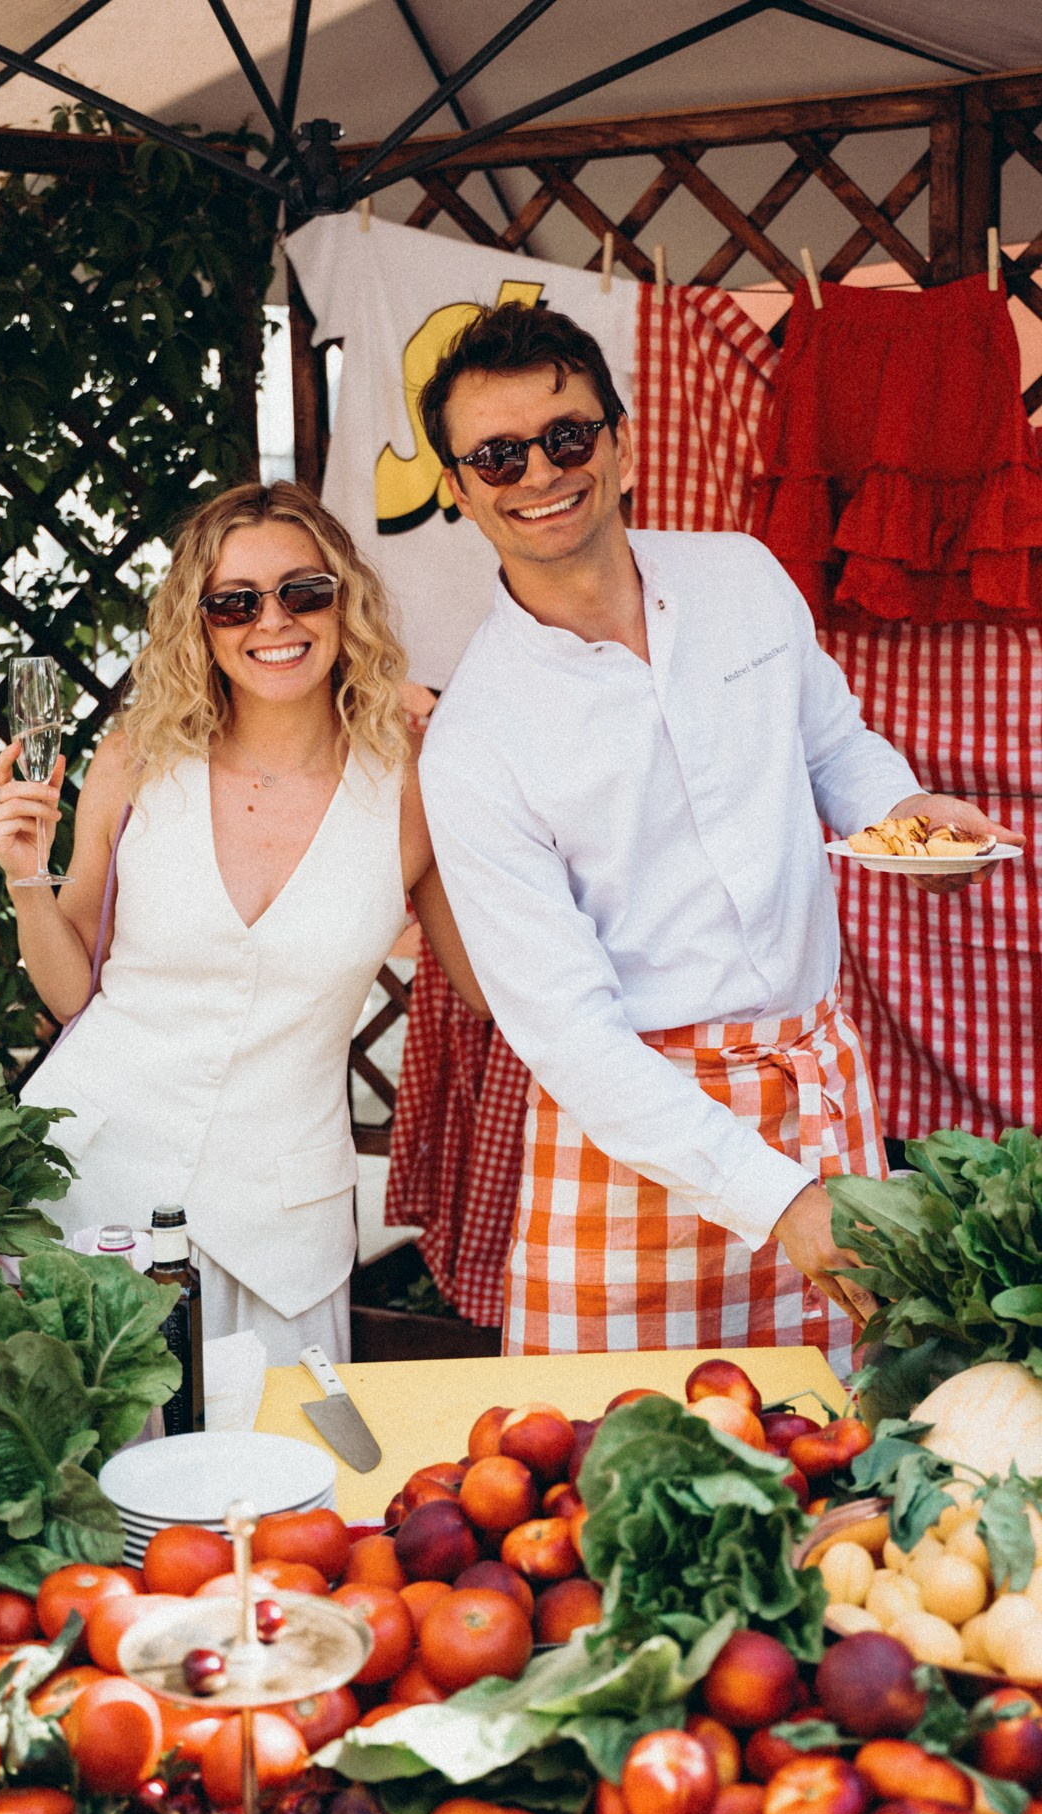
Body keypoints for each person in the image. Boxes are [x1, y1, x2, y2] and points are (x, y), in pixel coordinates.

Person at [414, 302, 1024, 1375]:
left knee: (845, 1463)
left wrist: (901, 818)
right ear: (459, 489)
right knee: (603, 1489)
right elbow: (567, 1038)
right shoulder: (473, 741)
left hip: (812, 1097)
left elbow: (834, 744)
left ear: (620, 438)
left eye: (566, 436)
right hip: (628, 1138)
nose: (541, 474)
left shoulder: (740, 576)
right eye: (498, 456)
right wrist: (773, 1200)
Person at [0, 481, 483, 1366]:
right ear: (198, 623)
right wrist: (27, 874)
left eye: (303, 591)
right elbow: (71, 994)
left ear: (344, 600)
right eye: (234, 602)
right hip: (88, 1193)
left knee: (278, 1487)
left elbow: (485, 985)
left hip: (281, 1240)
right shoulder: (137, 756)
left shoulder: (414, 777)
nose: (273, 622)